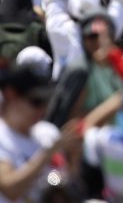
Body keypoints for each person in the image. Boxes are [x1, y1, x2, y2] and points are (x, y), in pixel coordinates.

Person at [0, 63, 80, 203]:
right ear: (11, 95)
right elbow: (10, 189)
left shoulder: (45, 133)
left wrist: (73, 159)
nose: (42, 109)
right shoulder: (3, 136)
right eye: (36, 102)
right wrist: (47, 154)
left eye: (45, 101)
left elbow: (57, 184)